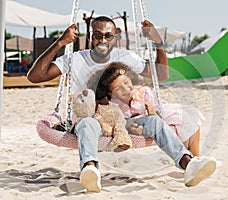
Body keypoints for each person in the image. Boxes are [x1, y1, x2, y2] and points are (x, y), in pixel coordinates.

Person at [27, 16, 216, 192]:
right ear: (91, 36)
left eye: (108, 36)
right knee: (87, 123)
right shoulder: (75, 59)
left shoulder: (125, 56)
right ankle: (90, 169)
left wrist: (158, 43)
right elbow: (34, 77)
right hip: (92, 120)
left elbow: (162, 75)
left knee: (155, 123)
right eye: (97, 35)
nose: (102, 40)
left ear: (115, 38)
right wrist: (60, 42)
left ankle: (188, 164)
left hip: (122, 122)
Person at [96, 62, 204, 156]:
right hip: (149, 122)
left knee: (190, 116)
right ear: (111, 93)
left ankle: (195, 157)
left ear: (130, 78)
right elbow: (120, 121)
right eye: (117, 89)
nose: (125, 89)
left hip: (160, 113)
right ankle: (189, 158)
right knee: (182, 121)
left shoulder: (144, 92)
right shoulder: (115, 105)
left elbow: (156, 109)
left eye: (125, 82)